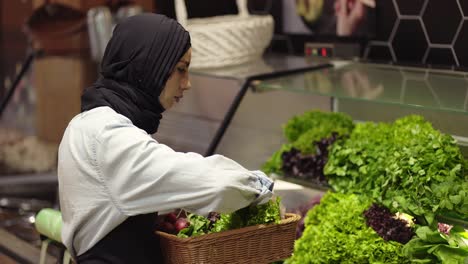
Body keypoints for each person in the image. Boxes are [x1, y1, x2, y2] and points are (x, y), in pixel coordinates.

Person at [57, 13, 273, 263]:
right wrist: (259, 186)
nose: (187, 83)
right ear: (148, 66)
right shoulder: (107, 136)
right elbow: (213, 184)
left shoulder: (90, 122)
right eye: (181, 69)